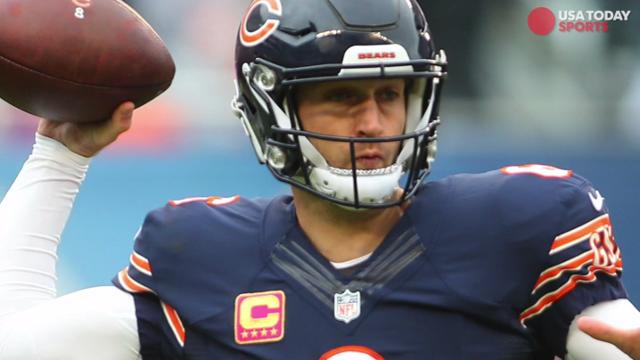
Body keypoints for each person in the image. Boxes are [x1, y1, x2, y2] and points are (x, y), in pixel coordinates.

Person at [0, 0, 639, 358]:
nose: (373, 122)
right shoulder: (198, 255)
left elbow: (616, 343)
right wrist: (60, 158)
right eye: (343, 98)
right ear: (273, 110)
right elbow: (16, 345)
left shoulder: (520, 225)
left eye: (393, 94)